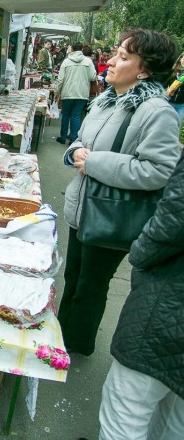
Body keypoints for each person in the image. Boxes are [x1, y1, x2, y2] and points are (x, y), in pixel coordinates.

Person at [57, 28, 181, 356]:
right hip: (82, 209)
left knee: (90, 286)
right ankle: (59, 339)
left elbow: (158, 171)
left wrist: (94, 162)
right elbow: (81, 141)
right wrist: (75, 152)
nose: (111, 61)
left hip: (111, 215)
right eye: (115, 53)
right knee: (73, 276)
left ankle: (75, 346)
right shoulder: (105, 100)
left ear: (145, 70)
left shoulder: (157, 112)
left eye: (123, 57)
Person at [98, 149, 184, 439]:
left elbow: (171, 223)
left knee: (126, 415)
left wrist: (138, 254)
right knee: (174, 420)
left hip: (168, 308)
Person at [55, 42, 97, 145]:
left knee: (65, 115)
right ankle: (73, 139)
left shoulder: (66, 61)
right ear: (81, 49)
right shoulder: (88, 61)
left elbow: (60, 79)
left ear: (72, 49)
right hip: (82, 93)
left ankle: (63, 137)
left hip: (67, 92)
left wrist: (57, 92)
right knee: (76, 116)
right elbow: (93, 77)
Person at [166, 51, 184, 120]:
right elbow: (164, 84)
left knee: (176, 124)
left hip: (181, 105)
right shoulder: (172, 71)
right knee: (165, 121)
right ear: (180, 59)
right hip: (168, 102)